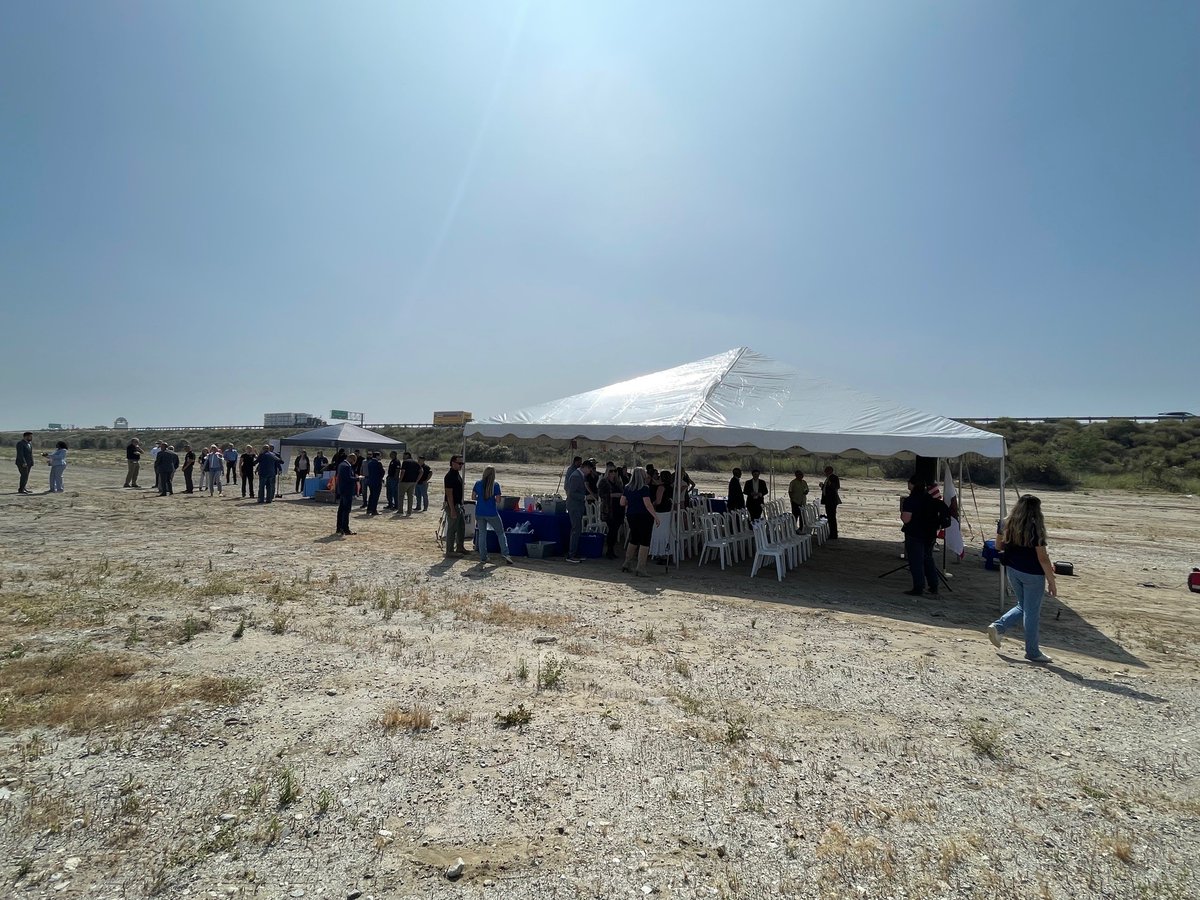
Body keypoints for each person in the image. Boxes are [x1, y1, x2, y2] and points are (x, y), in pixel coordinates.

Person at [987, 495, 1057, 663]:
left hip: (1012, 569)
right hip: (1032, 573)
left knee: (1023, 606)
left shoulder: (1005, 522)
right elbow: (1043, 558)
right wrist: (1052, 580)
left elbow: (997, 546)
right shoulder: (1035, 528)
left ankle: (998, 626)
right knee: (1032, 613)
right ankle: (1032, 651)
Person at [900, 477, 947, 596]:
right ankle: (933, 586)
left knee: (916, 561)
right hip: (930, 534)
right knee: (927, 559)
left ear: (913, 485)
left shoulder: (911, 500)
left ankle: (918, 587)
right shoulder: (930, 499)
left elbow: (906, 519)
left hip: (915, 533)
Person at [619, 467, 660, 577]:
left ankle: (627, 562)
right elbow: (647, 504)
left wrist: (632, 502)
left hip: (631, 515)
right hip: (644, 516)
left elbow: (622, 502)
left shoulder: (627, 487)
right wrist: (655, 516)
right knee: (645, 541)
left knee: (634, 538)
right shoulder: (644, 488)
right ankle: (640, 567)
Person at [473, 466, 515, 565]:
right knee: (500, 533)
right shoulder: (495, 485)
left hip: (479, 512)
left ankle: (483, 556)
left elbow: (473, 497)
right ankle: (505, 553)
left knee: (482, 534)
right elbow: (498, 500)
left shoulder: (478, 483)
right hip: (491, 512)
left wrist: (481, 498)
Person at [565, 458, 593, 563]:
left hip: (577, 506)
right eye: (590, 469)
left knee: (577, 529)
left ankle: (574, 552)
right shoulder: (576, 476)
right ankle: (571, 554)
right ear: (585, 467)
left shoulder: (580, 476)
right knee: (575, 529)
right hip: (574, 506)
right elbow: (571, 493)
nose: (590, 472)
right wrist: (585, 497)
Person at [598, 464, 626, 559]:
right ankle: (609, 550)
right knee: (612, 529)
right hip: (609, 509)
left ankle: (612, 549)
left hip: (618, 509)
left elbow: (623, 491)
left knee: (615, 529)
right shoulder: (603, 482)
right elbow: (601, 495)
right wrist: (613, 495)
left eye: (614, 471)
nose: (613, 473)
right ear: (607, 472)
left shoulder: (618, 482)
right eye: (611, 471)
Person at [443, 455, 467, 557]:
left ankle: (460, 547)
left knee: (461, 526)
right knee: (452, 528)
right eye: (459, 463)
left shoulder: (457, 474)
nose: (461, 465)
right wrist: (452, 509)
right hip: (452, 505)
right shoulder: (449, 476)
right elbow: (449, 494)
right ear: (453, 463)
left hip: (458, 504)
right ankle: (449, 550)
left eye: (462, 463)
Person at [335, 452, 358, 535]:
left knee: (341, 509)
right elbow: (348, 478)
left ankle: (339, 527)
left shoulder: (342, 464)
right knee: (346, 510)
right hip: (347, 490)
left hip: (342, 490)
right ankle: (345, 528)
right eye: (354, 460)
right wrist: (357, 478)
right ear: (352, 459)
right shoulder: (346, 466)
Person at [821, 466, 842, 539]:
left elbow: (836, 487)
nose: (825, 472)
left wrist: (829, 484)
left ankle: (833, 534)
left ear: (830, 471)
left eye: (826, 471)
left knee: (832, 517)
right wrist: (823, 486)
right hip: (828, 500)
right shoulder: (828, 478)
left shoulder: (834, 477)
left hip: (831, 500)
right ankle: (832, 533)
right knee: (830, 517)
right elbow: (827, 488)